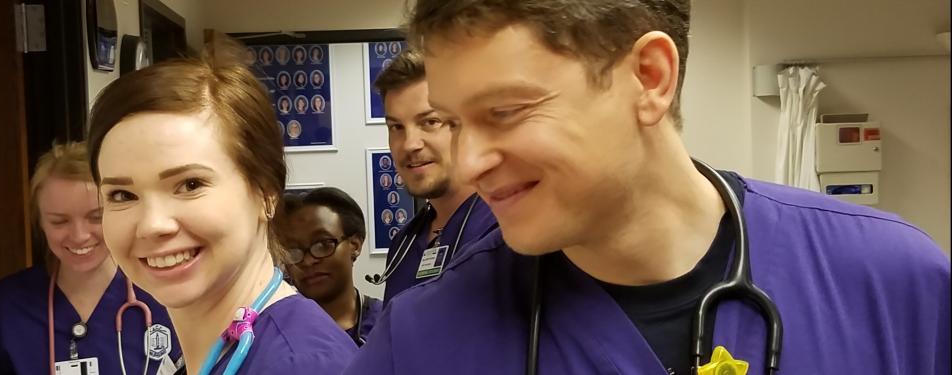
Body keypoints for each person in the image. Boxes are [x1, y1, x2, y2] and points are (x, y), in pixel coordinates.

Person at [345, 1, 951, 374]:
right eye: (452, 121)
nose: (469, 163)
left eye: (504, 111)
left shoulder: (891, 284)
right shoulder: (423, 342)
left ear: (649, 78)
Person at [87, 41, 357, 375]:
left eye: (190, 185)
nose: (152, 225)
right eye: (122, 195)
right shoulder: (224, 350)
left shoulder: (302, 366)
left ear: (266, 193)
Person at [0, 142, 181, 375]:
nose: (79, 236)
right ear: (40, 223)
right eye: (59, 221)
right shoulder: (8, 306)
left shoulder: (166, 297)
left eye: (95, 217)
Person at [367, 49, 499, 303]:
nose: (409, 144)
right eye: (396, 127)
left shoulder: (504, 231)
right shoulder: (405, 244)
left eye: (429, 122)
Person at [278, 187, 384, 346]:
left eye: (322, 244)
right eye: (293, 251)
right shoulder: (277, 334)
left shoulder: (387, 323)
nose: (307, 261)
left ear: (355, 245)